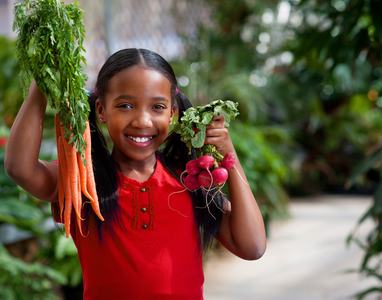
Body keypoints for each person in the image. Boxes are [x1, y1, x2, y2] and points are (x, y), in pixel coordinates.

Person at [5, 48, 266, 300]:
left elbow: (252, 246)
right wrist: (40, 86)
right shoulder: (83, 181)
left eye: (158, 107)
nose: (143, 121)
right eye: (126, 106)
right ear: (101, 111)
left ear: (173, 113)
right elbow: (21, 168)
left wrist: (229, 157)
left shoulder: (188, 178)